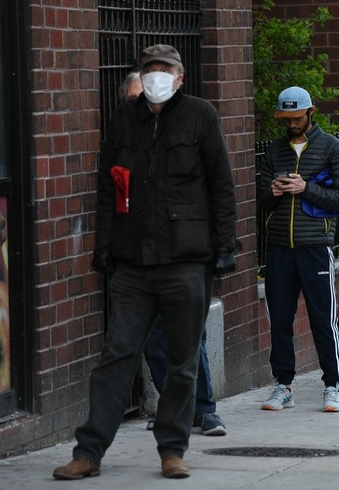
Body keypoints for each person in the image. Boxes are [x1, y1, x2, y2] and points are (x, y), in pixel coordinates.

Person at [53, 44, 237, 480]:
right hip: (133, 262)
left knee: (182, 361)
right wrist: (104, 246)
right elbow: (105, 185)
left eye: (165, 70)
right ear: (142, 74)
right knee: (116, 354)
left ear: (180, 77)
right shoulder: (124, 119)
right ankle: (89, 451)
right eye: (150, 69)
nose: (157, 76)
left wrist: (225, 246)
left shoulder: (201, 116)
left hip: (186, 260)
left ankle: (172, 449)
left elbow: (221, 184)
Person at [119, 72, 227, 436]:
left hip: (184, 254)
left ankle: (205, 409)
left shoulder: (188, 138)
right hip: (143, 259)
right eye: (137, 100)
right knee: (153, 340)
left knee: (191, 335)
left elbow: (216, 190)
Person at [258, 86, 339, 413]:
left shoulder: (333, 148)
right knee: (280, 317)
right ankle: (283, 385)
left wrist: (305, 188)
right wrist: (273, 190)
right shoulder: (274, 150)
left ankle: (332, 385)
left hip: (315, 245)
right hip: (279, 246)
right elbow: (261, 199)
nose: (291, 124)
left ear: (310, 112)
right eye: (286, 119)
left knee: (323, 317)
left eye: (296, 117)